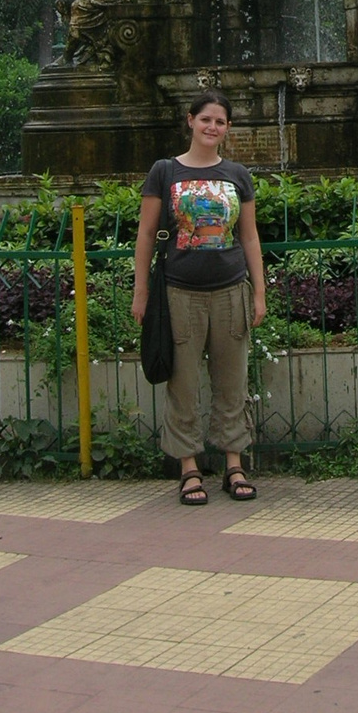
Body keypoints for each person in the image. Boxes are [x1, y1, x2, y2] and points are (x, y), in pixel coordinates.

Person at [133, 90, 267, 506]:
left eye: (221, 122)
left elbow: (248, 235)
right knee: (184, 383)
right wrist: (141, 291)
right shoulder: (164, 171)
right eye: (206, 119)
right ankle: (188, 466)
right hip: (179, 292)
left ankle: (233, 461)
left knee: (232, 381)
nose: (212, 127)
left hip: (230, 289)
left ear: (227, 129)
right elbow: (144, 235)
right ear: (190, 121)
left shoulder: (237, 175)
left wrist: (259, 292)